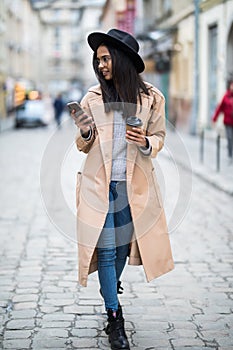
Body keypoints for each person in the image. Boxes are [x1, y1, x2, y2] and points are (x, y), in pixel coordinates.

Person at [70, 29, 174, 350]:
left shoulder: (151, 98)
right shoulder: (92, 98)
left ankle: (110, 289)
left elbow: (159, 138)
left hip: (134, 188)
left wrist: (145, 142)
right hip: (99, 188)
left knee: (120, 253)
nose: (100, 65)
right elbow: (81, 146)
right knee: (106, 250)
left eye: (105, 58)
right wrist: (86, 131)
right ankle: (115, 317)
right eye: (98, 60)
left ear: (122, 59)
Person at [212, 79, 233, 163]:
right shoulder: (226, 96)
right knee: (229, 137)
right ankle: (230, 155)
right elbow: (220, 108)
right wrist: (214, 118)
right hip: (228, 122)